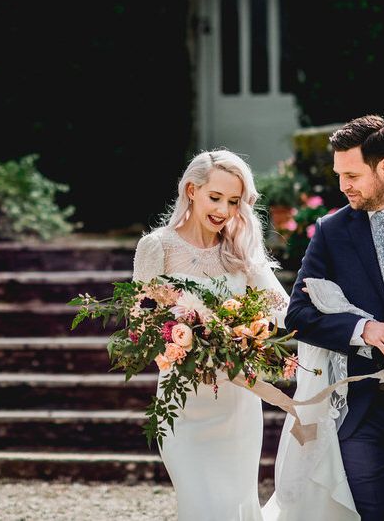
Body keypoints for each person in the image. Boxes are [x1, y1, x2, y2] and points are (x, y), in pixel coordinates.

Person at [283, 114, 384, 521]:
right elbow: (298, 313)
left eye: (351, 175)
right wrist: (361, 329)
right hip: (363, 412)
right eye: (338, 174)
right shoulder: (331, 231)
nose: (342, 185)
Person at [132, 148, 290, 521]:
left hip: (236, 405)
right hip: (182, 404)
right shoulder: (157, 247)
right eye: (214, 197)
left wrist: (252, 331)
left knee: (234, 509)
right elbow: (141, 326)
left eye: (233, 201)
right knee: (200, 506)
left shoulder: (240, 250)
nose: (223, 209)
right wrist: (175, 340)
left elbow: (282, 310)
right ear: (191, 191)